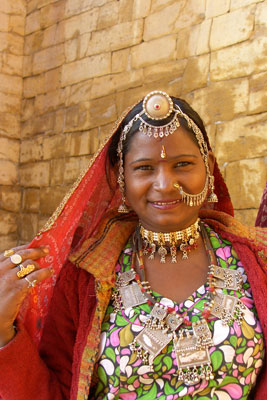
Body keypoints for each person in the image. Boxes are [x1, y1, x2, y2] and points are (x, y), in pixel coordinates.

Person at [0, 91, 266, 400]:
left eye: (182, 164)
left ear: (207, 168)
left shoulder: (256, 260)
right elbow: (55, 392)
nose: (165, 184)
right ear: (120, 176)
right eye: (144, 168)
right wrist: (4, 330)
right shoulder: (85, 277)